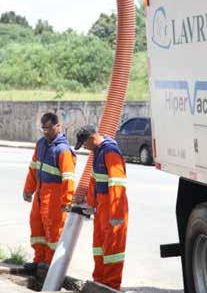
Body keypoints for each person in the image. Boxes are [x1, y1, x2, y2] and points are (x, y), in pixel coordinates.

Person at [74, 125, 128, 291]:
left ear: (91, 138)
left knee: (112, 250)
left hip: (113, 209)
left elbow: (117, 184)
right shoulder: (98, 153)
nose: (84, 148)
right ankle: (100, 282)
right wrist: (91, 204)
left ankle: (111, 286)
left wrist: (116, 214)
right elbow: (94, 182)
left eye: (84, 144)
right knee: (99, 247)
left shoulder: (109, 152)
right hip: (102, 208)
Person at [23, 112, 76, 270]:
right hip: (40, 192)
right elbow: (33, 168)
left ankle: (49, 264)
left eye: (49, 128)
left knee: (53, 230)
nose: (46, 132)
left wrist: (67, 201)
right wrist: (28, 189)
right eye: (43, 128)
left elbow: (69, 178)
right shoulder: (41, 144)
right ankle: (39, 259)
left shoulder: (63, 150)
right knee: (37, 226)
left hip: (55, 195)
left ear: (58, 127)